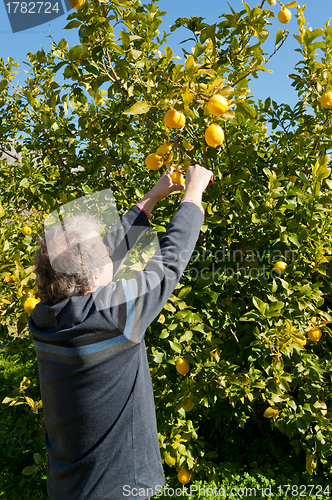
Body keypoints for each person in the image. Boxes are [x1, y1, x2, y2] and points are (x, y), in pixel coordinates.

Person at [29, 163, 212, 500]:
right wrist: (193, 194)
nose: (108, 251)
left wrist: (153, 197)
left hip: (69, 486)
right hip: (117, 489)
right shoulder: (110, 317)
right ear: (92, 280)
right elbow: (168, 263)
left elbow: (96, 257)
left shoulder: (44, 318)